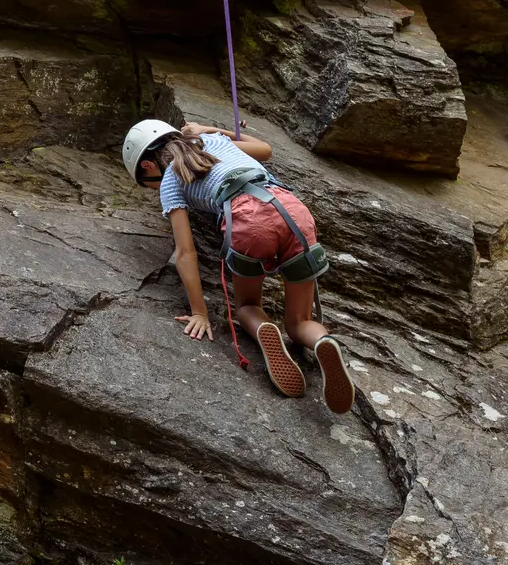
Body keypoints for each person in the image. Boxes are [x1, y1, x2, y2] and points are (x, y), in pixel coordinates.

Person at [123, 117, 354, 415]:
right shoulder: (212, 142)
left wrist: (199, 312)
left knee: (246, 306)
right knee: (298, 322)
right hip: (292, 210)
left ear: (147, 166)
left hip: (248, 223)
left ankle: (263, 327)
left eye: (148, 182)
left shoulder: (169, 181)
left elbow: (185, 252)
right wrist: (209, 129)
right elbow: (265, 149)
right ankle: (322, 341)